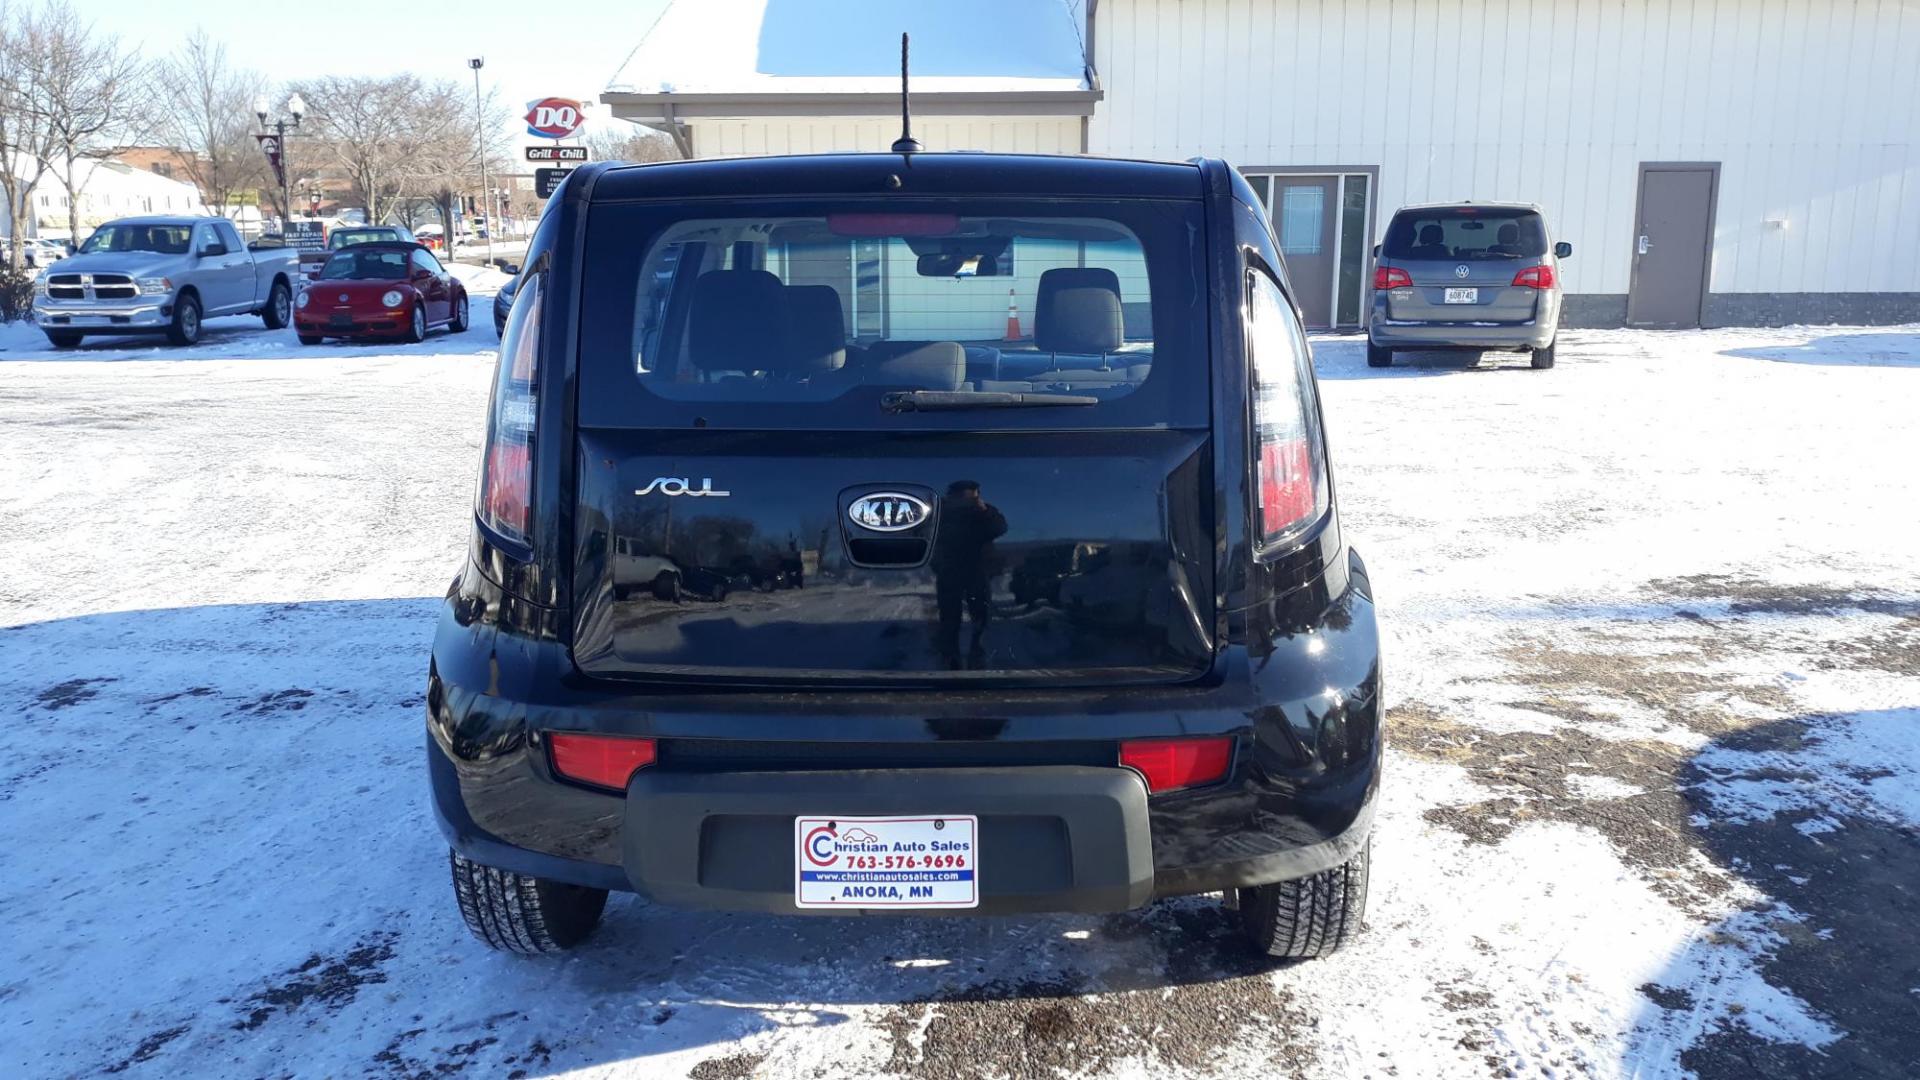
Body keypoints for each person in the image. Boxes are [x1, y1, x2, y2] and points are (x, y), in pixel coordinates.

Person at [930, 480, 1007, 668]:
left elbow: (999, 528)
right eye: (963, 496)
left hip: (977, 569)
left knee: (981, 614)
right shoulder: (941, 512)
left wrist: (983, 511)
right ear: (952, 496)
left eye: (973, 495)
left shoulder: (983, 511)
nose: (968, 501)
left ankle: (978, 653)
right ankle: (950, 656)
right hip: (949, 569)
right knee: (949, 616)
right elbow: (924, 533)